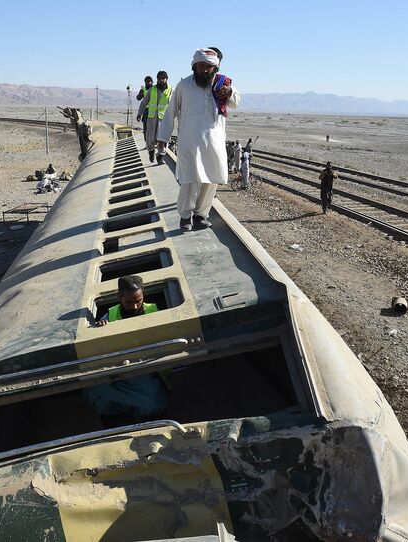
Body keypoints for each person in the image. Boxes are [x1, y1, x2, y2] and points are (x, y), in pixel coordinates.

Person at [157, 47, 240, 231]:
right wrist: (163, 137)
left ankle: (201, 215)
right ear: (193, 66)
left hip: (214, 143)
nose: (203, 70)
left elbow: (236, 101)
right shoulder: (184, 86)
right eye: (200, 66)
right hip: (190, 143)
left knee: (211, 180)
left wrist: (229, 93)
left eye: (207, 67)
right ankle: (185, 217)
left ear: (214, 68)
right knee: (190, 180)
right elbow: (170, 112)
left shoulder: (222, 85)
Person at [86, 275, 166, 427]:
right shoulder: (110, 315)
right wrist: (101, 328)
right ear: (119, 297)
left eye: (138, 301)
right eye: (129, 302)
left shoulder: (154, 310)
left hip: (146, 371)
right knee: (95, 390)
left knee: (156, 402)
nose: (135, 306)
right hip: (119, 372)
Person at [141, 71, 172, 164]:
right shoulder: (152, 89)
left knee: (163, 138)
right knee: (151, 138)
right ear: (157, 79)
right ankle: (151, 151)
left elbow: (174, 104)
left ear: (166, 79)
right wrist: (139, 113)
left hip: (164, 118)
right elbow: (144, 102)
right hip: (152, 118)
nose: (161, 80)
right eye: (159, 79)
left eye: (163, 79)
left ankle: (160, 156)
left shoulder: (170, 89)